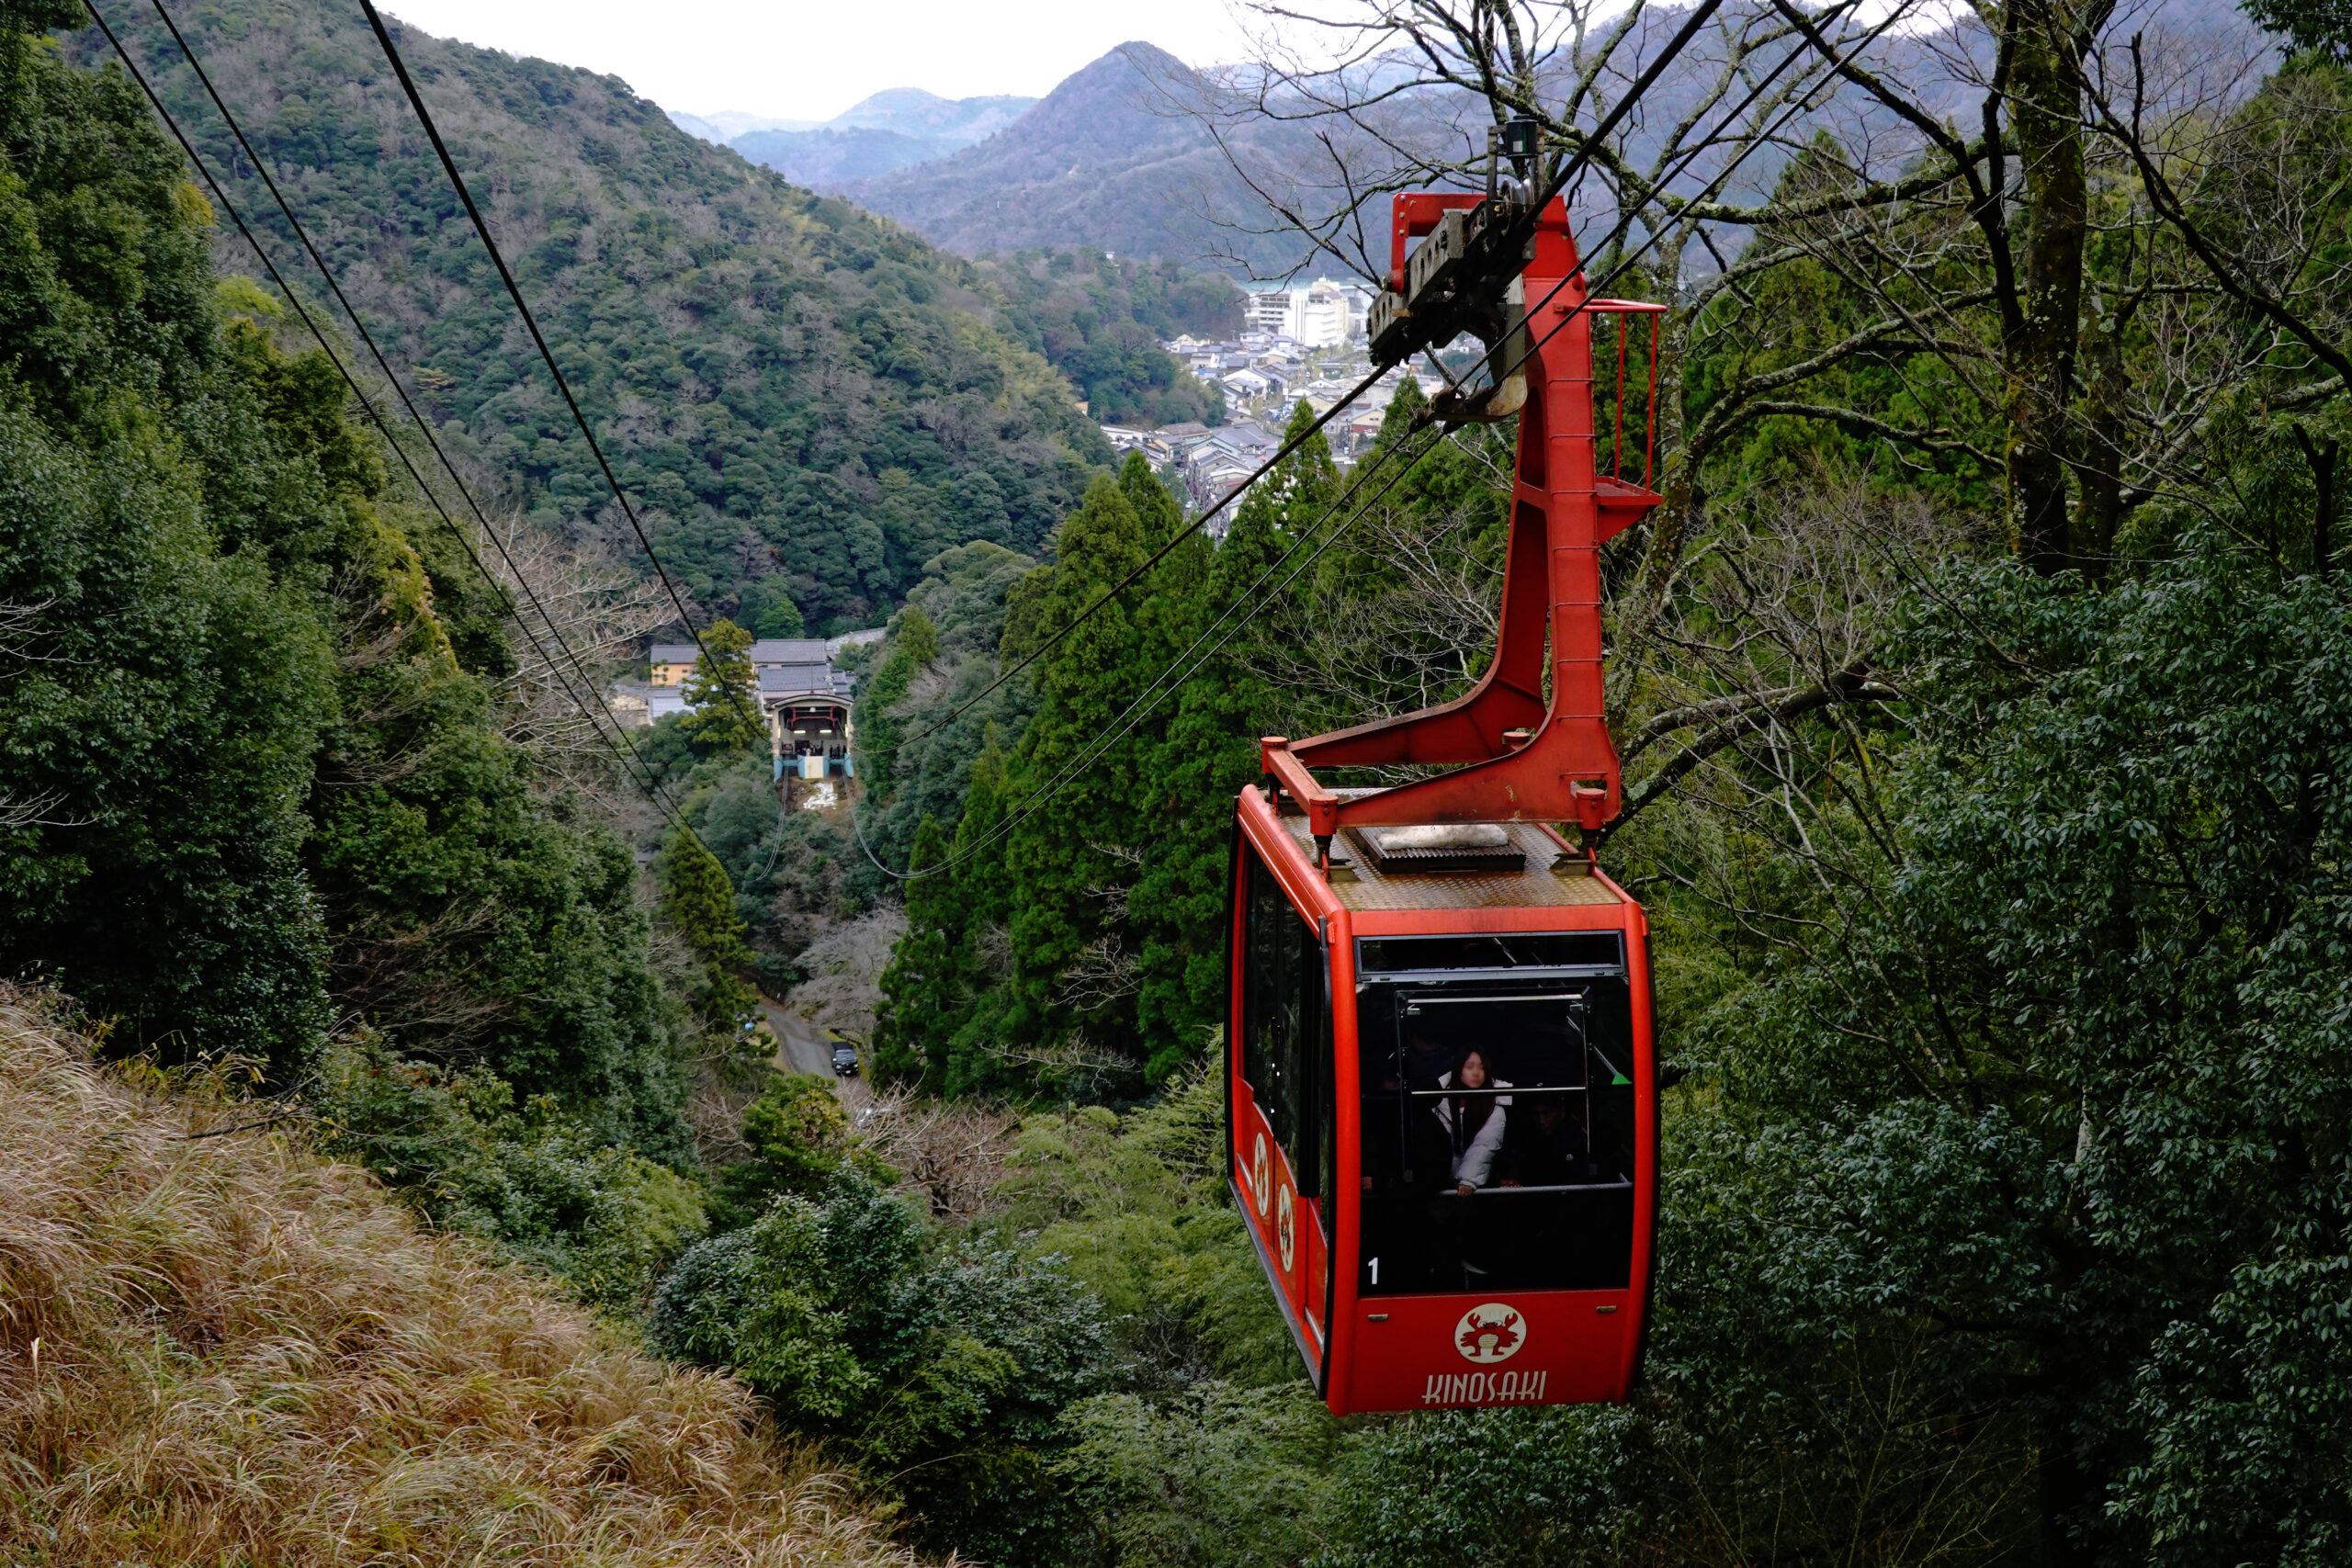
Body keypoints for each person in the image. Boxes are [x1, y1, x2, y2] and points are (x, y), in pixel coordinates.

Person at [1433, 1046, 1511, 1196]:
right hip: (1438, 1182)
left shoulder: (1494, 1105)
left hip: (1476, 1187)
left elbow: (1484, 1145)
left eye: (1481, 1068)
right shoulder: (1438, 1099)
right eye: (1469, 1067)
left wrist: (1468, 1181)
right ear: (1458, 1069)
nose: (1476, 1073)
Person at [1499, 1097, 1593, 1187]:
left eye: (1546, 1113)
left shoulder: (1576, 1139)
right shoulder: (1526, 1139)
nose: (1541, 1121)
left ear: (1561, 1112)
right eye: (1536, 1114)